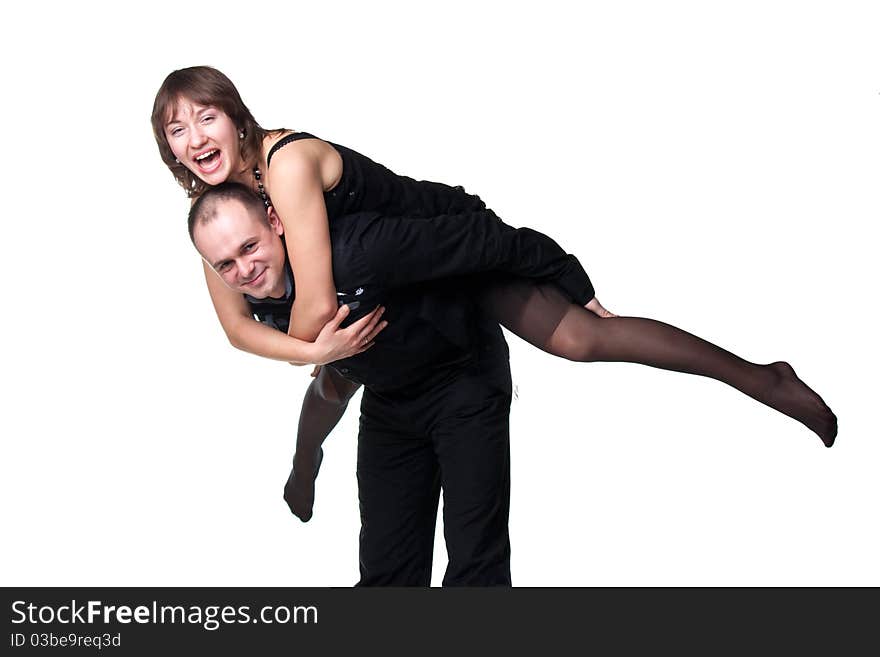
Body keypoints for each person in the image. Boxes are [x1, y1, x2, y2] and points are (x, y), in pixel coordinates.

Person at [152, 66, 837, 498]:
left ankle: (760, 377)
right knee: (334, 373)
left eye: (204, 116)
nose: (193, 137)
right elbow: (238, 328)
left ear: (237, 115)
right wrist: (309, 351)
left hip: (446, 253)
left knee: (580, 340)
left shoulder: (286, 165)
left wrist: (308, 346)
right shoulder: (217, 215)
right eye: (175, 130)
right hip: (387, 292)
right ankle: (303, 468)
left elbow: (316, 306)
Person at [190, 183, 528, 585]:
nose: (244, 270)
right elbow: (328, 388)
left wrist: (566, 276)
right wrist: (304, 464)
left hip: (461, 375)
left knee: (475, 566)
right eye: (225, 265)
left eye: (249, 248)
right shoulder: (264, 299)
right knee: (386, 574)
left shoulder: (359, 249)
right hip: (390, 400)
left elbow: (478, 236)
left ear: (277, 224)